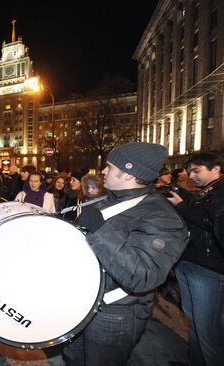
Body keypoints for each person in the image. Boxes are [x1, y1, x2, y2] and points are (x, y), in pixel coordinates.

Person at [63, 142, 188, 366]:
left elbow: (144, 276)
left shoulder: (163, 217)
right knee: (74, 358)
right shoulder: (110, 200)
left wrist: (100, 230)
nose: (102, 171)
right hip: (83, 302)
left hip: (113, 314)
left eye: (109, 167)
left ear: (129, 173)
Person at [168, 152, 224, 366]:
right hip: (191, 262)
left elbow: (212, 220)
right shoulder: (206, 192)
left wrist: (182, 205)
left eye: (197, 170)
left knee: (208, 329)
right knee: (194, 321)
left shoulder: (220, 191)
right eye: (189, 171)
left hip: (209, 268)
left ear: (216, 168)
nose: (191, 175)